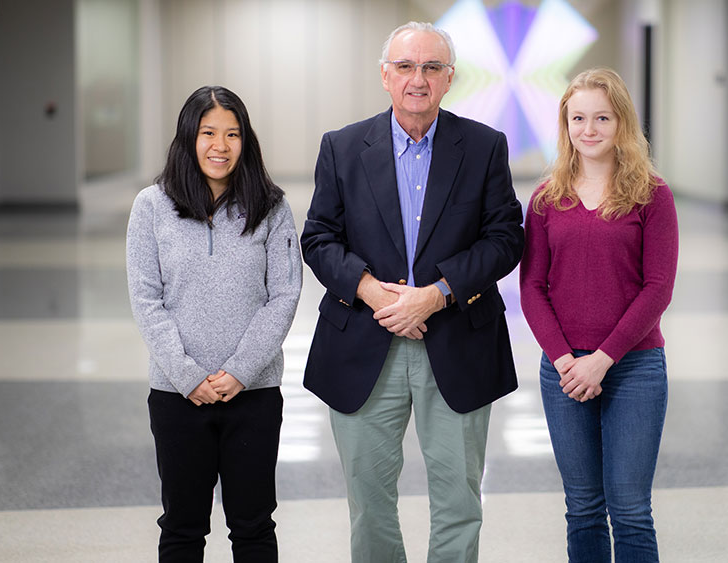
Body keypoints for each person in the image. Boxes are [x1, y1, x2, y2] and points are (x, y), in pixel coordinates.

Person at [300, 21, 524, 563]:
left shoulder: (484, 147)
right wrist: (373, 291)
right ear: (385, 76)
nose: (417, 79)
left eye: (431, 67)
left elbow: (504, 239)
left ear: (450, 79)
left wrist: (438, 292)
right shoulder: (343, 147)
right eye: (405, 66)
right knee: (370, 500)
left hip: (456, 341)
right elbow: (318, 238)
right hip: (363, 342)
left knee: (458, 500)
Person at [126, 85, 302, 562]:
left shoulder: (272, 207)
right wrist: (187, 376)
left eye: (232, 134)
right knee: (182, 528)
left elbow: (284, 296)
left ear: (246, 141)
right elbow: (146, 298)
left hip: (255, 394)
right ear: (189, 136)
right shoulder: (151, 206)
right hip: (176, 395)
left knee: (253, 527)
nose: (219, 146)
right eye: (208, 133)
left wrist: (240, 371)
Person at [519, 68, 678, 562]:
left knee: (630, 509)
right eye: (578, 118)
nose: (589, 129)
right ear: (565, 125)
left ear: (622, 123)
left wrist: (602, 359)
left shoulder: (652, 195)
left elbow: (658, 289)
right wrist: (565, 359)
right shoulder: (546, 200)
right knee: (583, 508)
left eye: (602, 118)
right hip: (564, 371)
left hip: (633, 368)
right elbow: (531, 288)